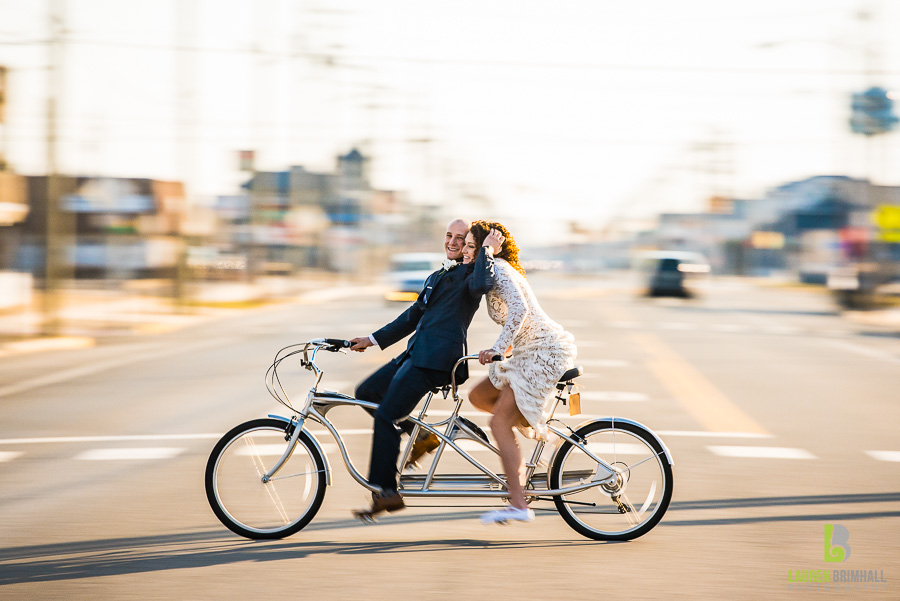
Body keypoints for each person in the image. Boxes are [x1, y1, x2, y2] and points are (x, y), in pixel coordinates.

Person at [347, 219, 504, 521]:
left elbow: (484, 285)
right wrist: (370, 340)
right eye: (449, 236)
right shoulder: (437, 275)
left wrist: (486, 251)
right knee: (366, 392)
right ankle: (419, 436)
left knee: (385, 416)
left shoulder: (473, 274)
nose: (453, 242)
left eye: (463, 239)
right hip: (414, 354)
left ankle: (386, 492)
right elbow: (410, 317)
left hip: (435, 361)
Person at [461, 220, 577, 525]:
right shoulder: (490, 270)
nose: (464, 251)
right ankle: (519, 468)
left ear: (489, 248)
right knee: (478, 396)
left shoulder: (498, 269)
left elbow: (521, 312)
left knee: (498, 423)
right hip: (526, 352)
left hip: (543, 352)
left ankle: (518, 503)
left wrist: (498, 348)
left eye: (471, 246)